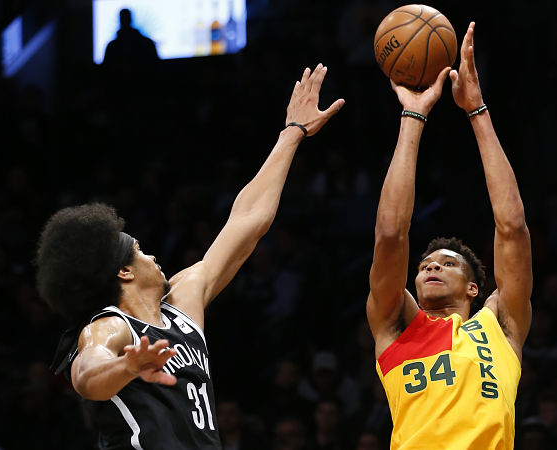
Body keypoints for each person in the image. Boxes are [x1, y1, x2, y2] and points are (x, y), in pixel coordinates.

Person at [36, 63, 344, 450]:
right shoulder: (110, 327)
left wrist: (292, 134)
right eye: (140, 251)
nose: (152, 256)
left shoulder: (183, 300)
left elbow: (247, 222)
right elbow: (86, 375)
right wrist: (128, 366)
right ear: (124, 273)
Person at [366, 22, 532, 449]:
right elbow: (389, 233)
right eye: (424, 266)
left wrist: (476, 110)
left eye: (447, 263)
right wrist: (414, 115)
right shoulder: (396, 325)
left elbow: (511, 226)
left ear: (475, 288)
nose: (432, 266)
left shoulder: (502, 326)